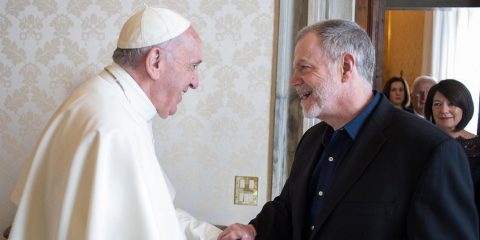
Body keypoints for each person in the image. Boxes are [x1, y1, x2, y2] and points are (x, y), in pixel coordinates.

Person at [218, 19, 478, 240]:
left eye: (304, 67)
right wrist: (252, 229)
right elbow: (289, 209)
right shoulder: (312, 138)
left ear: (345, 67)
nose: (293, 80)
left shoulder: (430, 150)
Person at [8, 7, 220, 240]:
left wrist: (210, 235)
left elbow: (154, 212)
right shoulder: (116, 128)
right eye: (192, 66)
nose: (195, 82)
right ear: (155, 61)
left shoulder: (103, 99)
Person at [424, 79, 480, 219]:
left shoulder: (478, 147)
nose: (444, 110)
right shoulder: (418, 141)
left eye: (452, 104)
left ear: (464, 107)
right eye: (437, 104)